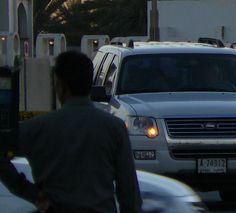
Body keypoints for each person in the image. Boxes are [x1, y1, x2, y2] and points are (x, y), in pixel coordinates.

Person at [2, 51, 142, 212]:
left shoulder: (35, 129)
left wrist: (30, 192)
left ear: (61, 86)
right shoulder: (114, 128)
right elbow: (128, 189)